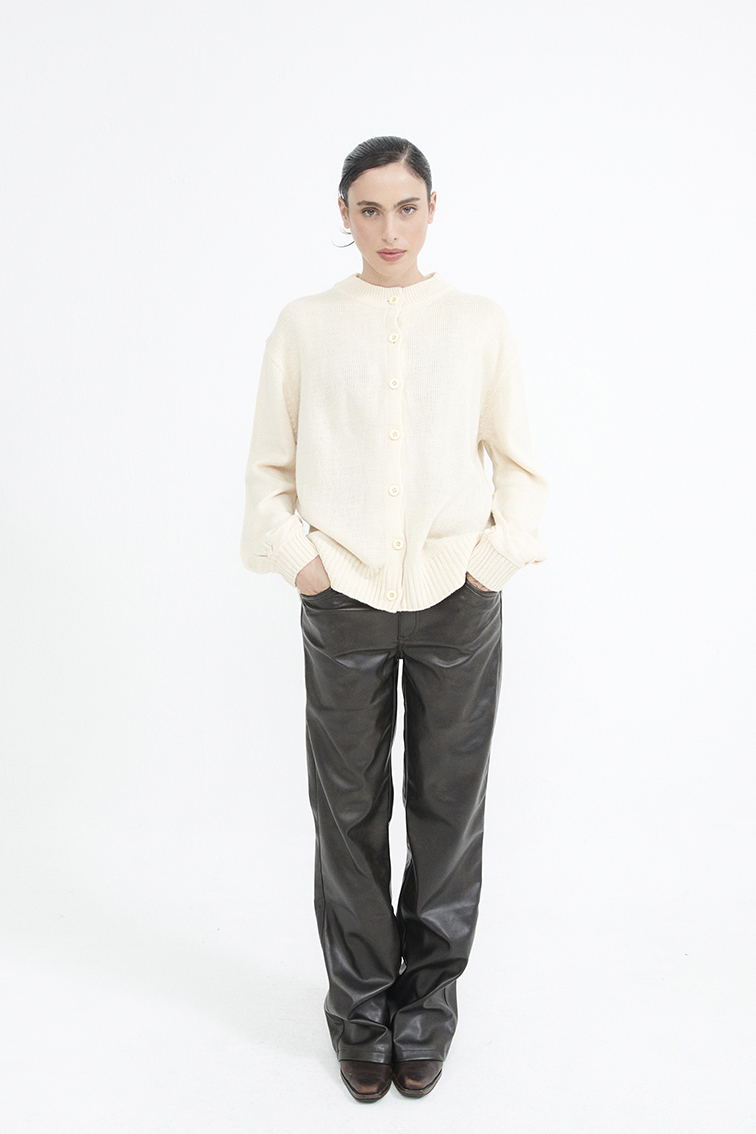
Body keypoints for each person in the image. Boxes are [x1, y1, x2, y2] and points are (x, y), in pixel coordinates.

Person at [240, 136, 548, 1102]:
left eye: (405, 207)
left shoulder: (479, 324)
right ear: (343, 213)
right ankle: (359, 1009)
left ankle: (426, 1009)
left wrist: (491, 565)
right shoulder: (304, 325)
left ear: (431, 209)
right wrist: (304, 564)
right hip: (344, 597)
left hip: (458, 597)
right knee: (348, 812)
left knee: (448, 809)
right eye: (369, 209)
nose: (389, 228)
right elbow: (268, 469)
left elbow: (522, 465)